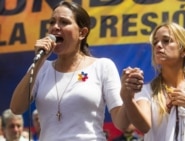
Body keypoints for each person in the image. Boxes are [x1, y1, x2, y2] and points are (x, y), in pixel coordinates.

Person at [10, 1, 131, 140]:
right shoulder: (41, 68)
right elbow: (16, 108)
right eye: (52, 22)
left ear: (82, 33)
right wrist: (39, 61)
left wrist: (128, 96)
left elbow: (121, 123)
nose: (55, 27)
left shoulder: (102, 67)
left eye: (64, 22)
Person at [120, 22, 185, 141]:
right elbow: (144, 127)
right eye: (155, 42)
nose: (158, 45)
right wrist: (127, 97)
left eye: (166, 40)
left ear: (183, 50)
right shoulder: (146, 91)